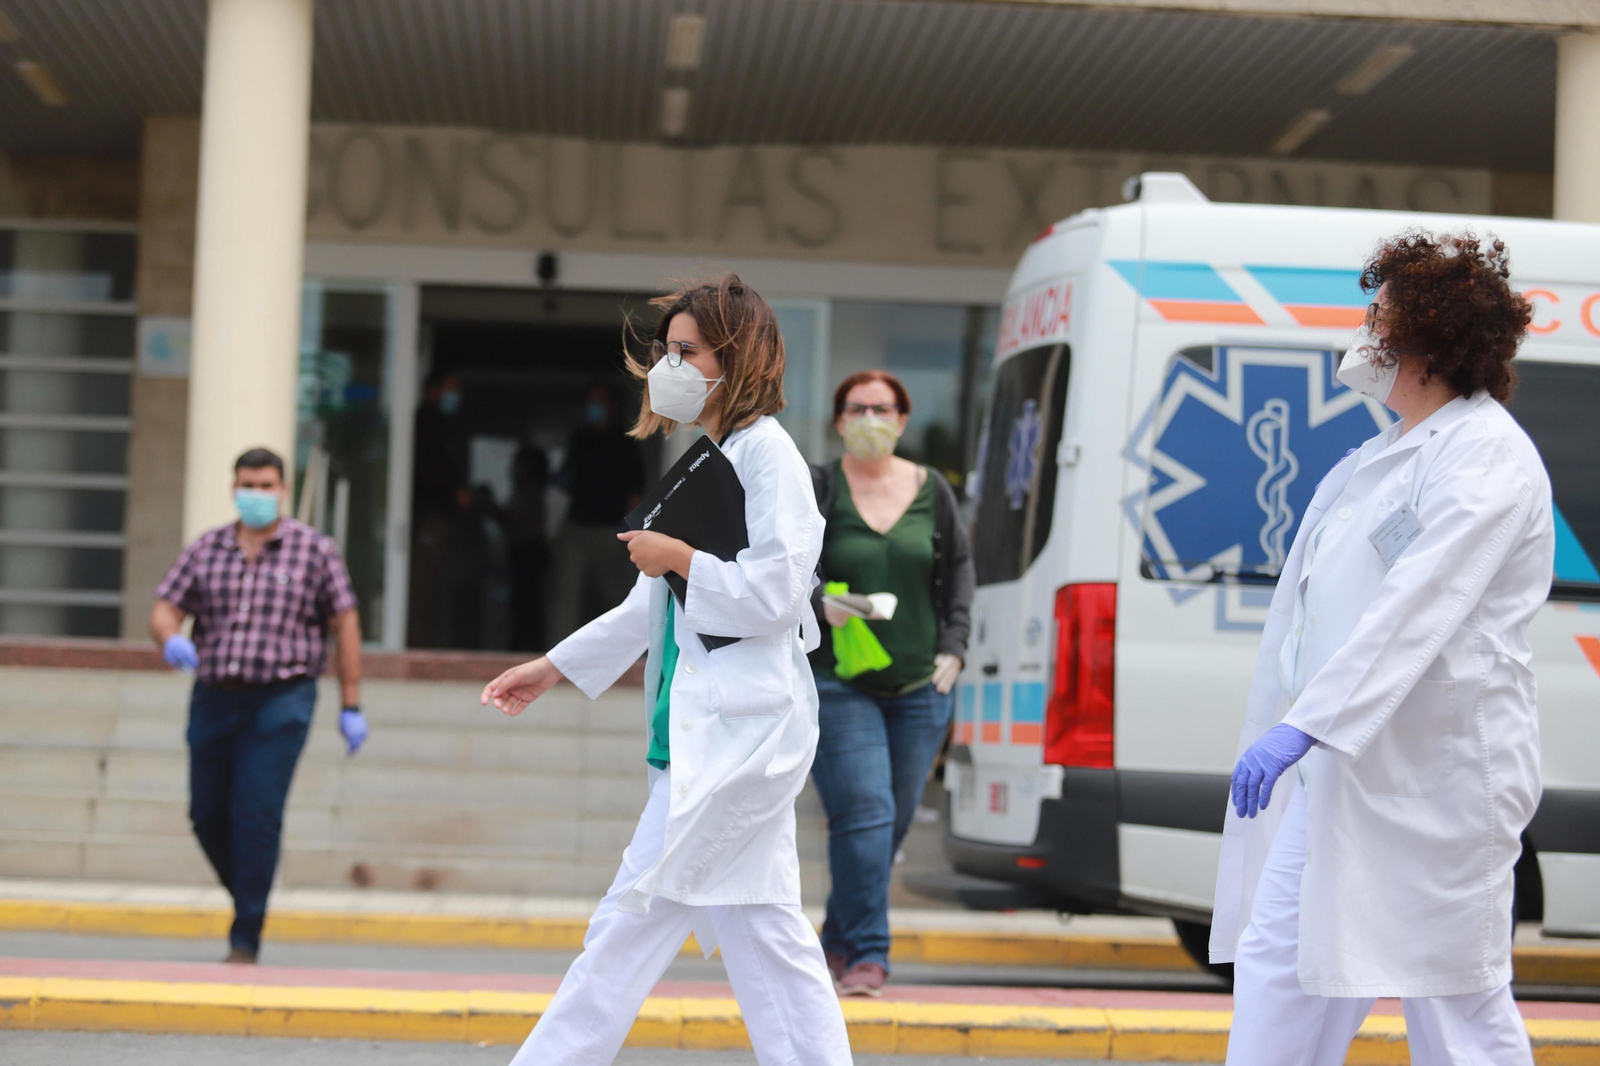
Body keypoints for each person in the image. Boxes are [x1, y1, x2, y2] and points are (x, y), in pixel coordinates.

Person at [481, 275, 852, 1065]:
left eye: (687, 350)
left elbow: (783, 593)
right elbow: (646, 609)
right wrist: (551, 667)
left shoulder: (768, 459)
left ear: (737, 356)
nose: (668, 365)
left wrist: (682, 555)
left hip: (736, 745)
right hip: (703, 741)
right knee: (769, 940)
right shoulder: (715, 458)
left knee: (628, 925)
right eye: (666, 350)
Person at [1211, 231, 1553, 1066]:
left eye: (1380, 317)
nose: (1364, 333)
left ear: (1428, 340)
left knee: (1453, 1001)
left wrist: (1311, 725)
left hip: (1439, 779)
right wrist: (1304, 726)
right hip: (1346, 771)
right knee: (1283, 964)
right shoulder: (1379, 458)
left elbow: (1417, 603)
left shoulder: (1487, 459)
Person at [150, 447, 366, 964]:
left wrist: (351, 704)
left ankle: (246, 935)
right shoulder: (207, 549)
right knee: (206, 814)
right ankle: (250, 893)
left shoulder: (315, 551)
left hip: (281, 699)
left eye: (267, 485)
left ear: (284, 490)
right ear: (233, 488)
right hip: (215, 695)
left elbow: (346, 624)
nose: (258, 495)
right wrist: (168, 638)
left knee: (256, 814)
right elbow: (165, 606)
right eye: (248, 485)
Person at [807, 370, 974, 996]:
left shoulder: (933, 489)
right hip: (841, 681)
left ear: (902, 419)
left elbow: (959, 569)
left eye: (883, 408)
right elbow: (788, 565)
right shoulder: (820, 487)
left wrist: (955, 646)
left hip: (919, 685)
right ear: (839, 419)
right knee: (866, 811)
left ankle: (835, 940)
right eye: (857, 408)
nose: (870, 418)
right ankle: (870, 954)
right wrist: (820, 601)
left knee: (889, 822)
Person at [549, 383, 646, 642]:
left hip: (610, 530)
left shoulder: (625, 442)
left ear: (612, 406)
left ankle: (623, 654)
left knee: (616, 596)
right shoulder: (579, 439)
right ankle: (557, 657)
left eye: (600, 401)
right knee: (565, 595)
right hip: (576, 526)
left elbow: (635, 492)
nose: (594, 408)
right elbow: (563, 480)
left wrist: (627, 531)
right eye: (591, 401)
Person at [408, 369, 469, 647]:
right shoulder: (425, 423)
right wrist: (452, 492)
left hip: (440, 517)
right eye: (449, 388)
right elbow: (427, 469)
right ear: (434, 390)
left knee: (435, 589)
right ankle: (417, 646)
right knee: (423, 588)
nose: (453, 396)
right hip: (428, 517)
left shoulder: (444, 423)